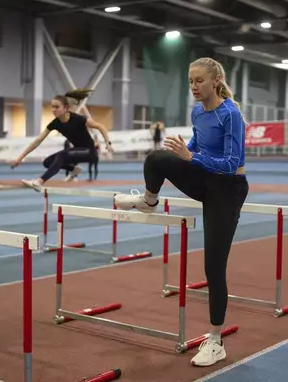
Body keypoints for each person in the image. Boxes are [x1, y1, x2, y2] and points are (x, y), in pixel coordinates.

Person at [113, 57, 249, 368]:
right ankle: (149, 200)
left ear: (215, 81)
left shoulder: (231, 114)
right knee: (157, 158)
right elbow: (197, 146)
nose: (193, 87)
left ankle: (215, 341)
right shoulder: (197, 112)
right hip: (204, 180)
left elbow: (230, 164)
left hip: (228, 189)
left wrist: (191, 156)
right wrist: (183, 152)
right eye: (190, 81)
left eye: (199, 81)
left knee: (213, 267)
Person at [10, 89, 114, 190]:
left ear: (65, 108)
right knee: (47, 162)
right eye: (52, 107)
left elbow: (101, 126)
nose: (53, 110)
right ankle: (74, 169)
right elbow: (38, 141)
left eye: (57, 107)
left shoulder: (79, 119)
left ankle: (39, 182)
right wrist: (20, 158)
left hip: (90, 152)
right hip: (77, 150)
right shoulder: (55, 123)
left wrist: (108, 143)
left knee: (61, 155)